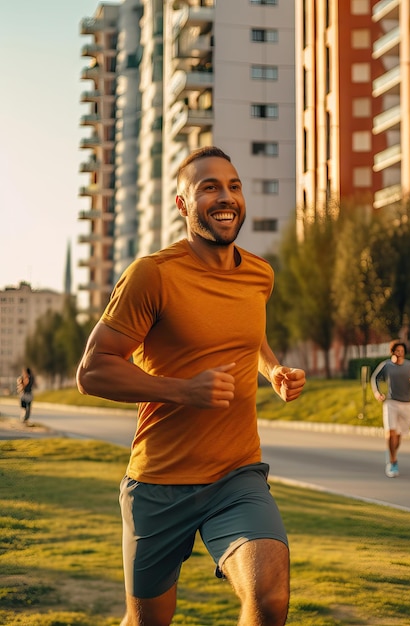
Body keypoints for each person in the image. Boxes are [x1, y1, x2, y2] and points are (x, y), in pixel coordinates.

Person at [76, 146, 306, 626]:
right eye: (209, 187)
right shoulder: (152, 276)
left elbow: (249, 333)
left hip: (235, 476)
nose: (226, 197)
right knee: (146, 621)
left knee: (270, 596)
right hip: (159, 483)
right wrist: (183, 390)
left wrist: (273, 370)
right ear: (183, 204)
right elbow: (93, 370)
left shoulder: (259, 275)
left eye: (234, 186)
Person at [370, 340, 410, 478]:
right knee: (390, 433)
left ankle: (392, 454)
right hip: (391, 403)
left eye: (402, 351)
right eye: (397, 351)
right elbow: (375, 378)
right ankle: (393, 462)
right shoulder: (386, 365)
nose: (400, 354)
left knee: (398, 436)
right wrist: (377, 393)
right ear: (392, 352)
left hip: (406, 404)